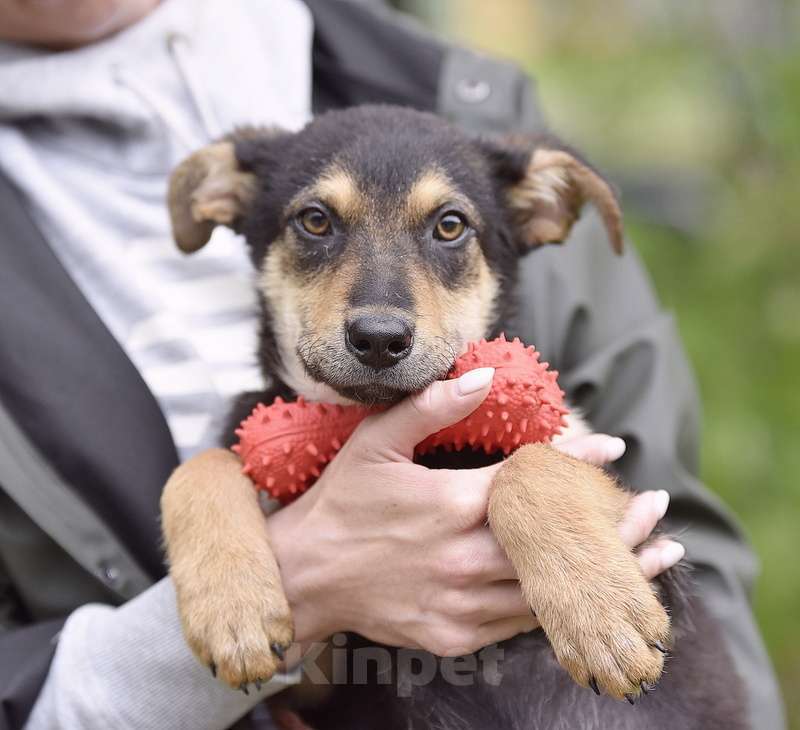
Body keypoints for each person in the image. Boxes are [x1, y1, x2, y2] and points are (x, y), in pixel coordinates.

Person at [0, 1, 785, 729]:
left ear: (538, 216)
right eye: (318, 223)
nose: (380, 313)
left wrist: (537, 491)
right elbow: (298, 681)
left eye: (447, 228)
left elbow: (676, 539)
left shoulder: (519, 407)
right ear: (229, 206)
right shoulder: (243, 461)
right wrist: (255, 548)